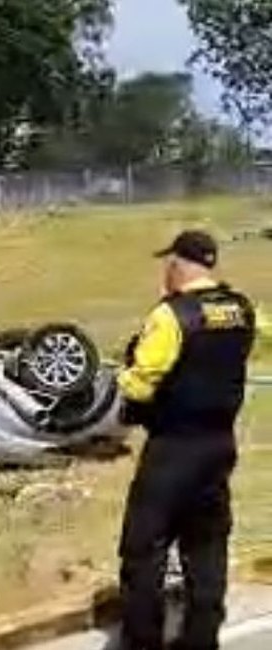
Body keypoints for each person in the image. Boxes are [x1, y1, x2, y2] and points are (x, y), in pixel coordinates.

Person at [115, 229, 260, 650]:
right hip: (219, 447)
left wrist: (118, 379)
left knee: (144, 548)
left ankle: (143, 640)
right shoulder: (241, 309)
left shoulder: (171, 315)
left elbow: (140, 385)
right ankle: (202, 638)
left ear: (177, 264)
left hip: (173, 447)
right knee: (207, 545)